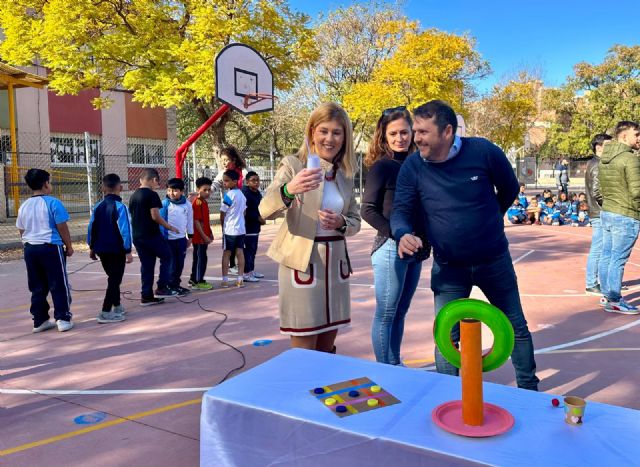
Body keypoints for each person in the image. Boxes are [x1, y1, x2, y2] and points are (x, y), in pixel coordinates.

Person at [390, 100, 539, 390]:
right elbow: (401, 209)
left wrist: (490, 217)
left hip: (494, 260)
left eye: (422, 131)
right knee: (446, 335)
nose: (415, 138)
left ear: (447, 132)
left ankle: (529, 390)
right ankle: (446, 393)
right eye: (414, 130)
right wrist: (402, 233)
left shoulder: (483, 151)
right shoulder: (413, 165)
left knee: (515, 326)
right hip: (449, 267)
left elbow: (509, 187)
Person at [259, 102, 361, 353]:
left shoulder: (346, 173)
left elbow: (355, 220)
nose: (330, 138)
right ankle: (300, 391)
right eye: (324, 131)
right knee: (304, 347)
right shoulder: (293, 165)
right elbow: (264, 210)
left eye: (337, 132)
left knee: (327, 348)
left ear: (344, 137)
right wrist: (288, 190)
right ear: (312, 132)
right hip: (302, 263)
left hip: (335, 266)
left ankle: (322, 391)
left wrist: (341, 223)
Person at [361, 106, 429, 365]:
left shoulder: (420, 164)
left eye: (404, 132)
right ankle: (385, 368)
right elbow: (367, 210)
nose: (400, 138)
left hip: (416, 249)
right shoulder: (383, 167)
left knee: (401, 312)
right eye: (393, 134)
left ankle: (396, 364)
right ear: (384, 137)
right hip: (390, 247)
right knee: (386, 313)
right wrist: (397, 235)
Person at [16, 168, 74, 332]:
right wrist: (68, 245)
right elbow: (62, 226)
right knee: (58, 283)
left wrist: (27, 244)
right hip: (50, 247)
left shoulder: (24, 206)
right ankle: (63, 318)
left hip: (30, 248)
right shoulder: (53, 202)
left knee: (37, 285)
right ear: (45, 184)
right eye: (50, 181)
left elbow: (21, 229)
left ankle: (39, 320)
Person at [598, 121, 640, 314]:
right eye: (636, 135)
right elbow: (637, 191)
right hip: (625, 214)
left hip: (608, 212)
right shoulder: (630, 159)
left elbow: (599, 191)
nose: (639, 139)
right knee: (618, 259)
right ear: (624, 136)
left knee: (607, 256)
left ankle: (608, 296)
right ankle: (614, 299)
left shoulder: (605, 158)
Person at [129, 168, 179, 306]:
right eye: (158, 182)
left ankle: (147, 295)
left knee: (147, 265)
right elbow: (155, 216)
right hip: (151, 235)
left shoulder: (134, 195)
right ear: (154, 180)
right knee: (167, 256)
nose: (158, 185)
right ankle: (162, 287)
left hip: (138, 236)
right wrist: (169, 227)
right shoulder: (152, 195)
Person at [87, 173, 133, 324]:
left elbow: (91, 228)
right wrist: (128, 250)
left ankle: (117, 306)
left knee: (113, 277)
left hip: (101, 249)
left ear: (103, 188)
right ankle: (105, 311)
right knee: (114, 279)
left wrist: (92, 247)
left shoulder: (98, 206)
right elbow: (125, 230)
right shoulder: (121, 207)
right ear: (120, 187)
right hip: (116, 249)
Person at [585, 134, 611, 295]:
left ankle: (603, 282)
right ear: (599, 147)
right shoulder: (597, 165)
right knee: (599, 247)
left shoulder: (597, 163)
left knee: (603, 248)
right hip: (599, 212)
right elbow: (596, 191)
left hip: (599, 211)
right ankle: (591, 283)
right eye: (608, 145)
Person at [215, 146, 248, 275]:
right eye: (222, 160)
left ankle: (228, 277)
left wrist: (223, 225)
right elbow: (215, 184)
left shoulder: (243, 173)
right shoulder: (238, 194)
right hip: (237, 223)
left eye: (226, 160)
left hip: (233, 223)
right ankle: (237, 272)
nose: (224, 163)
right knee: (237, 250)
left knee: (229, 251)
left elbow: (223, 213)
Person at [160, 178, 193, 296]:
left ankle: (176, 284)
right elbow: (161, 222)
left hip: (181, 239)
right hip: (168, 240)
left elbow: (189, 221)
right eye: (169, 190)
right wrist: (163, 239)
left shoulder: (187, 205)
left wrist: (190, 236)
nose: (171, 193)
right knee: (171, 264)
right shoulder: (165, 204)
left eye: (175, 190)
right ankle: (168, 285)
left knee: (180, 263)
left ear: (182, 191)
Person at [220, 170, 247, 288]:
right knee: (240, 253)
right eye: (223, 181)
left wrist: (223, 227)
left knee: (226, 254)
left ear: (234, 182)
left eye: (226, 181)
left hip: (230, 230)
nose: (224, 183)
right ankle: (240, 279)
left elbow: (222, 212)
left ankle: (225, 280)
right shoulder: (242, 195)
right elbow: (244, 211)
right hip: (241, 229)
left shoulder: (229, 195)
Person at [189, 176, 214, 290]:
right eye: (205, 190)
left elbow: (205, 221)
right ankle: (198, 281)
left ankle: (194, 278)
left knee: (201, 258)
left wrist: (210, 233)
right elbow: (197, 221)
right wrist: (204, 236)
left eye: (209, 190)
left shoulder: (204, 202)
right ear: (198, 189)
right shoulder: (197, 203)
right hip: (199, 238)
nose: (207, 192)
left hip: (204, 237)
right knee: (200, 258)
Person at [242, 171, 266, 282]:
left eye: (257, 180)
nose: (256, 182)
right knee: (248, 251)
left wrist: (262, 217)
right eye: (253, 180)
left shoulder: (257, 193)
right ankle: (246, 273)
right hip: (247, 227)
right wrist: (258, 218)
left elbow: (260, 208)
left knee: (253, 250)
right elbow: (245, 211)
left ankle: (251, 270)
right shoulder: (245, 193)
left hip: (255, 227)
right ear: (247, 182)